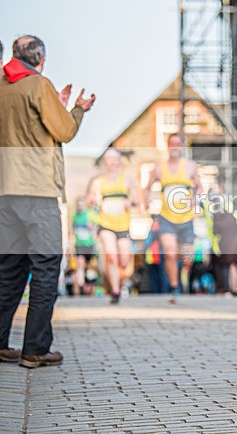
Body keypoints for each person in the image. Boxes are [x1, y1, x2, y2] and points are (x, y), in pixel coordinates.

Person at [0, 35, 95, 368]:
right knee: (45, 268)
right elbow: (64, 130)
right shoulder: (38, 84)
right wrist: (77, 109)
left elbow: (25, 126)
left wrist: (51, 102)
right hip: (37, 191)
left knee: (10, 270)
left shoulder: (4, 86)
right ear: (39, 58)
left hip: (5, 190)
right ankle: (35, 348)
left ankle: (0, 342)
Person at [142, 133, 202, 304]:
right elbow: (146, 188)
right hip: (167, 217)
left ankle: (183, 274)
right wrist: (145, 201)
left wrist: (195, 198)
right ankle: (174, 288)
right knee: (169, 253)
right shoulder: (159, 168)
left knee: (186, 256)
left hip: (186, 218)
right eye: (172, 143)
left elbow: (199, 187)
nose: (175, 147)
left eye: (178, 144)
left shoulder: (190, 166)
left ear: (181, 147)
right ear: (168, 146)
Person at [86, 149, 139, 304]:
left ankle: (121, 284)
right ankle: (115, 292)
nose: (112, 162)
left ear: (119, 162)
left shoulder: (126, 181)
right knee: (111, 256)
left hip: (123, 225)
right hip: (105, 224)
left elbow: (136, 199)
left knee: (124, 261)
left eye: (114, 159)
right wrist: (93, 200)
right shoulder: (98, 182)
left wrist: (131, 202)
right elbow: (89, 201)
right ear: (105, 162)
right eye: (109, 159)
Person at [70, 196, 97, 296]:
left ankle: (90, 289)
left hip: (89, 244)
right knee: (80, 263)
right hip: (79, 244)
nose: (80, 207)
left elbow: (96, 227)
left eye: (82, 204)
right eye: (78, 205)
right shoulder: (74, 215)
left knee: (90, 267)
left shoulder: (91, 214)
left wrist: (92, 227)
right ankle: (81, 283)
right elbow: (72, 229)